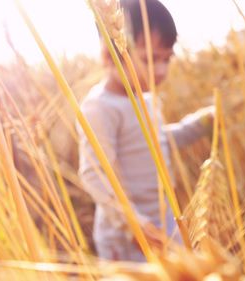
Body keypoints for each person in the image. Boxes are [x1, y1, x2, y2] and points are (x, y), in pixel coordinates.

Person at [77, 0, 213, 261]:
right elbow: (95, 174)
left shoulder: (147, 98)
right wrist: (132, 223)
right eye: (150, 59)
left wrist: (197, 125)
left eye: (167, 58)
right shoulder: (100, 108)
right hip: (126, 235)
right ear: (109, 55)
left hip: (164, 218)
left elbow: (158, 141)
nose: (161, 70)